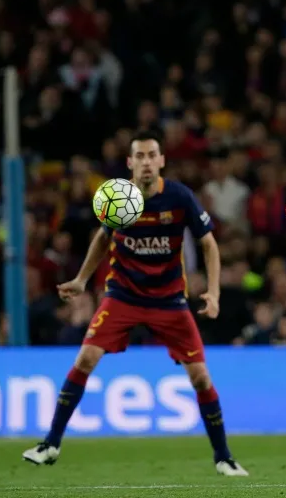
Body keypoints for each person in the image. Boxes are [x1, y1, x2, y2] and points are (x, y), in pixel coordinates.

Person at [22, 131, 248, 477]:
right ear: (130, 163)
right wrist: (82, 280)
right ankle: (50, 444)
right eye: (139, 156)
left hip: (170, 300)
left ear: (161, 160)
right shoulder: (117, 197)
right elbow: (102, 237)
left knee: (201, 378)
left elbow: (209, 245)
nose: (145, 161)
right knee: (85, 358)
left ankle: (223, 457)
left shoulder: (179, 197)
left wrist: (213, 292)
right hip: (123, 295)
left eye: (151, 155)